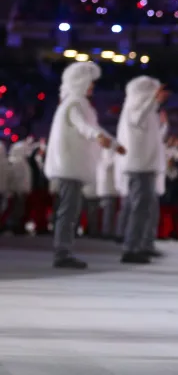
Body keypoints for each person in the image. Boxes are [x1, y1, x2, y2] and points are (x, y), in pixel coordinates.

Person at [44, 62, 126, 269]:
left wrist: (113, 144)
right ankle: (62, 252)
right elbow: (83, 126)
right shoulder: (74, 103)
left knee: (71, 210)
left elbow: (93, 126)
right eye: (89, 83)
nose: (92, 87)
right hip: (69, 166)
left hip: (72, 166)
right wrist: (97, 136)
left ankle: (64, 250)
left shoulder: (80, 104)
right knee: (68, 210)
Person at [116, 76, 169, 263]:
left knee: (144, 208)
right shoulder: (134, 108)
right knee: (139, 208)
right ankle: (131, 248)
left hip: (145, 166)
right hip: (139, 167)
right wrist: (153, 100)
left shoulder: (148, 112)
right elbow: (137, 119)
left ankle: (139, 245)